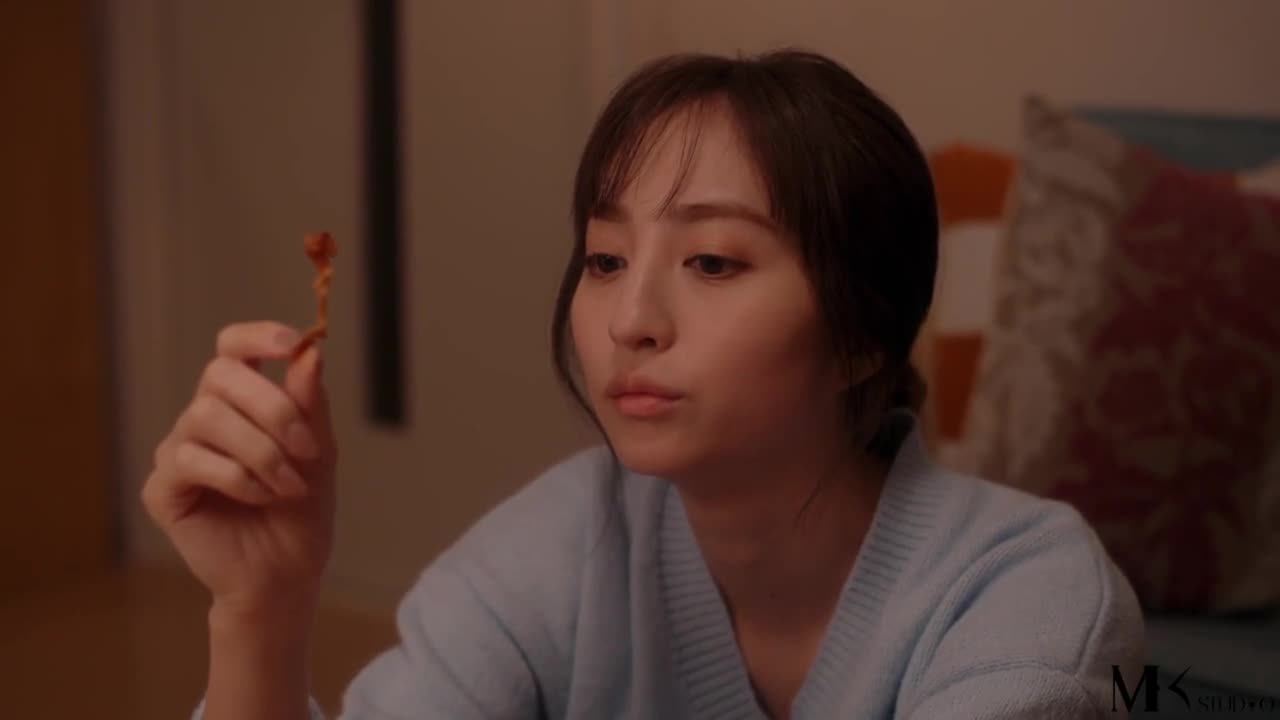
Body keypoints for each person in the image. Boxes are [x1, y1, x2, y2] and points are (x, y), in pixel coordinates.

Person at [143, 49, 1144, 720]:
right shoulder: (559, 547)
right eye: (605, 259)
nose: (628, 320)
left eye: (711, 261)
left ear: (862, 335)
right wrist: (262, 611)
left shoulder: (1025, 598)